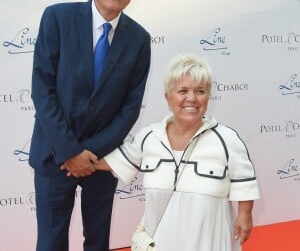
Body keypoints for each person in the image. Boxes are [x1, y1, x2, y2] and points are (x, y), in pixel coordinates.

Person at [29, 0, 151, 250]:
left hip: (102, 160)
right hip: (55, 155)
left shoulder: (139, 39)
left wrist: (90, 154)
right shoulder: (57, 18)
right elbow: (42, 90)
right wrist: (70, 151)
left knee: (98, 242)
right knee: (51, 242)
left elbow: (129, 108)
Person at [95, 54, 260, 251]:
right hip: (161, 242)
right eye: (183, 91)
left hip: (210, 242)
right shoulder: (149, 136)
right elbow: (118, 162)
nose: (191, 98)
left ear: (208, 97)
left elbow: (244, 179)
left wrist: (245, 213)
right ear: (168, 97)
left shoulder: (227, 139)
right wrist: (77, 159)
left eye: (200, 91)